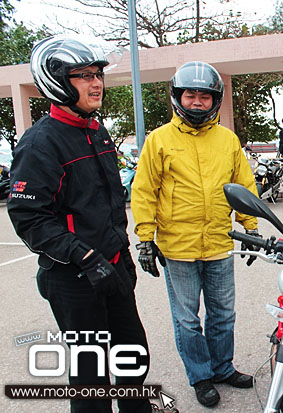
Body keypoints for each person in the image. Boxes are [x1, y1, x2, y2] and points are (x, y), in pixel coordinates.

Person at [7, 35, 151, 413]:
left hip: (113, 268)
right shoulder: (40, 143)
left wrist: (122, 253)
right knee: (92, 376)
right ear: (57, 82)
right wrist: (85, 256)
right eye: (83, 76)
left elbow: (107, 204)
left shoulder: (96, 130)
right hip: (74, 277)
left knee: (134, 358)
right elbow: (29, 217)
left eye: (98, 74)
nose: (96, 82)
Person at [130, 61, 259, 409]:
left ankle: (222, 368)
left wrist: (250, 226)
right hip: (177, 247)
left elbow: (243, 186)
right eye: (191, 95)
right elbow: (144, 191)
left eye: (205, 96)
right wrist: (145, 238)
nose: (197, 102)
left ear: (215, 100)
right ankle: (201, 376)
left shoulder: (227, 140)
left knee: (223, 314)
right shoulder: (159, 140)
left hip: (218, 242)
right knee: (187, 319)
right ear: (178, 97)